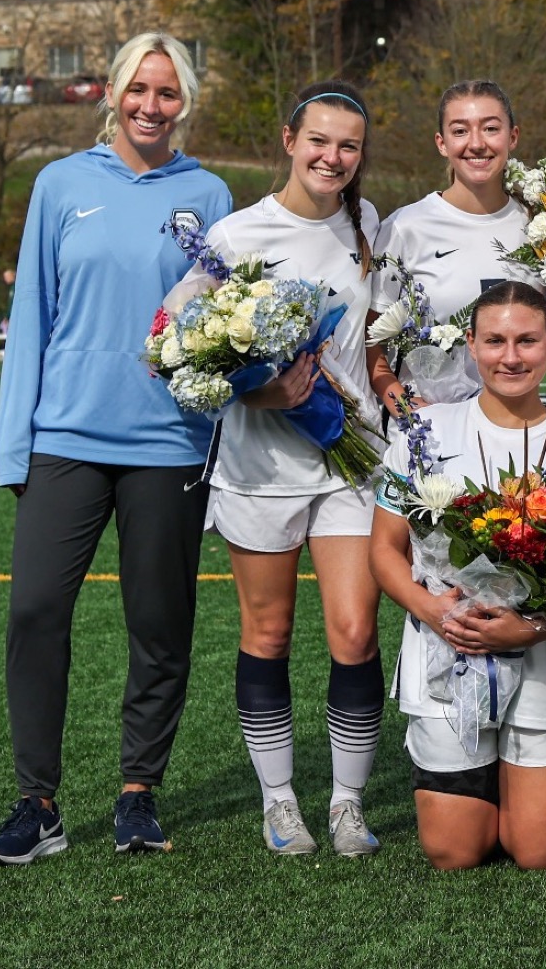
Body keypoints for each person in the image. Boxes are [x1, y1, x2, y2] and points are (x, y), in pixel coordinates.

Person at [0, 33, 231, 864]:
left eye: (167, 93)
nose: (150, 106)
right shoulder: (61, 184)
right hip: (65, 439)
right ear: (113, 94)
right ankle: (37, 804)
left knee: (159, 624)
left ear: (184, 102)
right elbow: (32, 323)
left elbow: (217, 331)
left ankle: (137, 795)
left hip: (168, 443)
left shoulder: (209, 193)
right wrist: (15, 447)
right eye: (137, 90)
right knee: (33, 612)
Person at [205, 81, 386, 858]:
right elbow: (186, 355)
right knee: (269, 631)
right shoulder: (235, 235)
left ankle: (347, 804)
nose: (333, 157)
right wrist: (263, 387)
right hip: (260, 465)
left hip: (351, 461)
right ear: (289, 140)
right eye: (319, 140)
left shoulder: (367, 222)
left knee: (354, 629)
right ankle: (280, 802)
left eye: (348, 145)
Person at [369, 281, 546, 870]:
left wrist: (527, 629)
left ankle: (529, 789)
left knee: (540, 851)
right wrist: (435, 611)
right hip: (445, 652)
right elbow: (384, 551)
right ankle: (498, 783)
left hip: (540, 658)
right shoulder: (425, 433)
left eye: (527, 340)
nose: (511, 356)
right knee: (455, 852)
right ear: (470, 344)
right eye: (495, 340)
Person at [367, 80, 532, 414]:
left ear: (512, 136)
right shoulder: (406, 226)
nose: (476, 144)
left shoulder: (540, 225)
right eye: (460, 131)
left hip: (517, 425)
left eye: (490, 128)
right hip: (431, 434)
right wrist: (401, 403)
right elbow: (371, 340)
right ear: (441, 144)